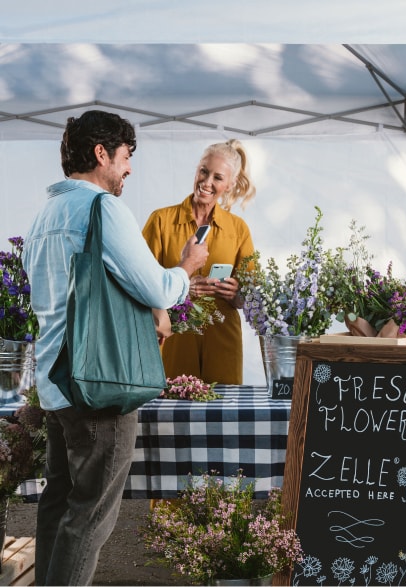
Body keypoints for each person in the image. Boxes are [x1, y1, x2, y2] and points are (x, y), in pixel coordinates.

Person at [22, 109, 209, 586]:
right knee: (90, 516)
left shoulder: (44, 215)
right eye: (126, 156)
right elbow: (157, 288)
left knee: (59, 504)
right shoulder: (101, 209)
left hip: (56, 383)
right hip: (99, 384)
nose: (129, 168)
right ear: (101, 153)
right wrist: (186, 267)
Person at [142, 139, 256, 384]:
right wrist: (182, 287)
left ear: (230, 184)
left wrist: (237, 292)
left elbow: (249, 298)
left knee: (224, 416)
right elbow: (140, 283)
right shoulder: (161, 221)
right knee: (171, 414)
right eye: (203, 172)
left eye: (217, 177)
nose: (206, 183)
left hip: (223, 341)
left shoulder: (238, 229)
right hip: (174, 341)